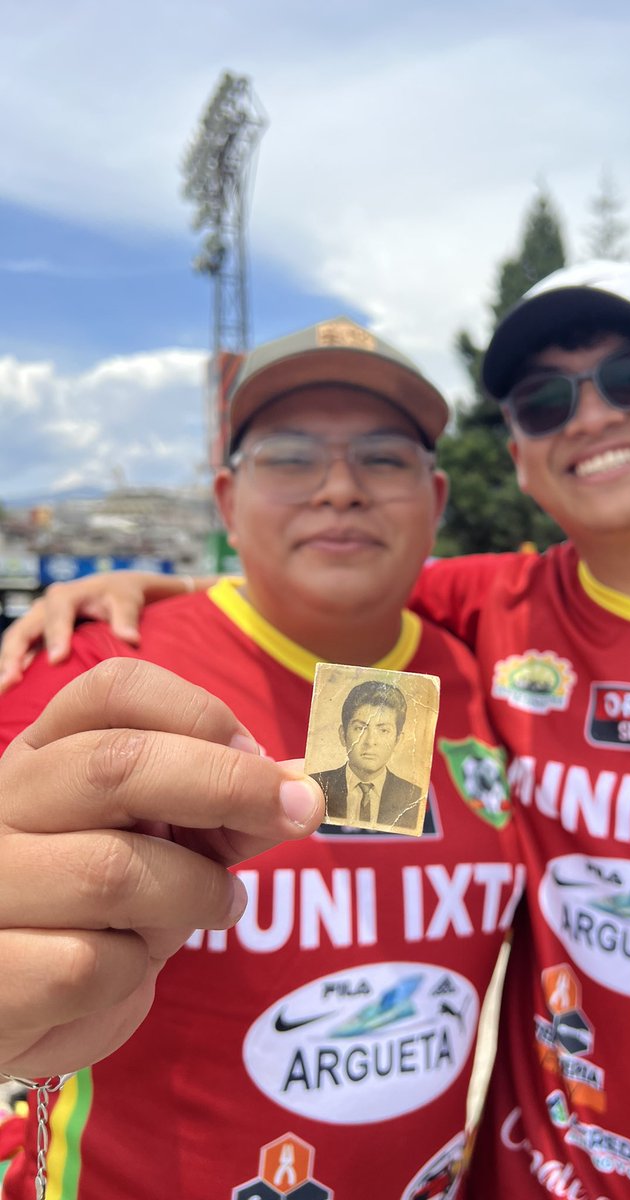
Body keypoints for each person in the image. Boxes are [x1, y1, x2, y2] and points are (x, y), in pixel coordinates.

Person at [6, 261, 630, 1200]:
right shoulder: (110, 662)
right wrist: (153, 594)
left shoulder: (456, 645)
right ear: (229, 502)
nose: (340, 491)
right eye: (546, 402)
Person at [0, 318, 522, 1199]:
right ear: (227, 500)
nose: (340, 489)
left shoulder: (484, 674)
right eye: (289, 456)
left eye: (384, 458)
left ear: (436, 501)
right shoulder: (92, 666)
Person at [313, 679, 424, 828]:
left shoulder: (415, 797)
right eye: (360, 728)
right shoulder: (316, 785)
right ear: (343, 734)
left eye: (383, 730)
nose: (370, 742)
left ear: (398, 740)